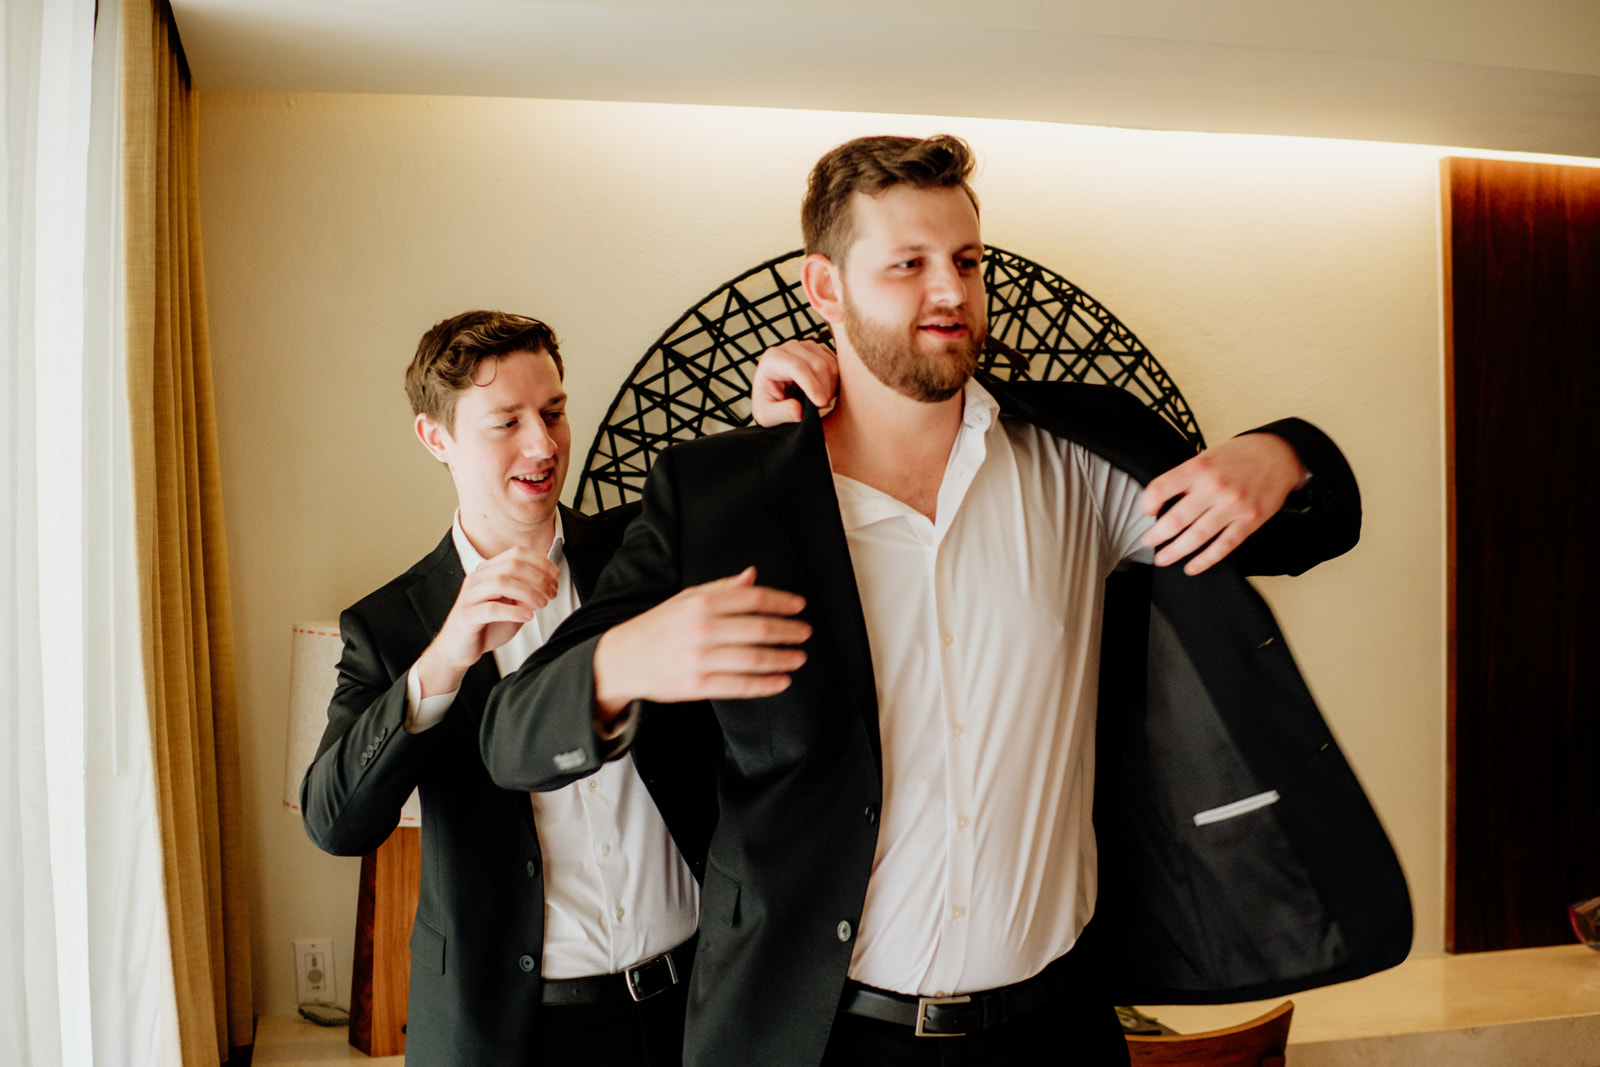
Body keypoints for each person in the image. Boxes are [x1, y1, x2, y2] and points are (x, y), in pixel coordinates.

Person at [480, 136, 1411, 1067]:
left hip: (1056, 1033)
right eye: (909, 264)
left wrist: (1283, 452)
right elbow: (514, 733)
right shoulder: (717, 497)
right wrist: (624, 660)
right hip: (816, 1041)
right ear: (825, 287)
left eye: (966, 261)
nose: (950, 291)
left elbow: (1297, 533)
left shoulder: (1079, 463)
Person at [299, 310, 817, 1066]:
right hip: (518, 1035)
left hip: (698, 1006)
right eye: (507, 422)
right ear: (435, 438)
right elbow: (334, 823)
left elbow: (752, 505)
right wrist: (443, 660)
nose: (542, 445)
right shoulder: (390, 626)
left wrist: (772, 425)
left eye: (553, 412)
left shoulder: (645, 552)